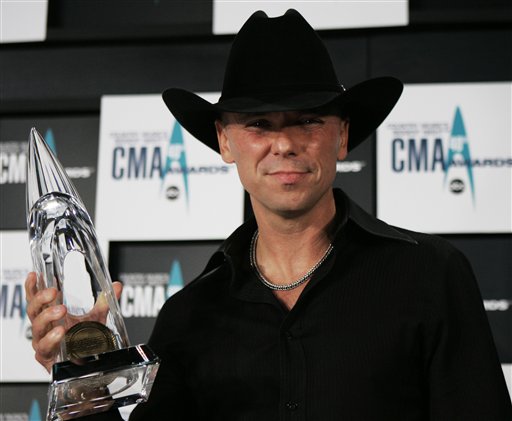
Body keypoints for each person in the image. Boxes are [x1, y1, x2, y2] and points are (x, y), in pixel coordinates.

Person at [25, 9, 512, 421]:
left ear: (342, 136)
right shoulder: (188, 317)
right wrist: (83, 383)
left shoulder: (430, 274)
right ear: (224, 141)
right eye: (259, 123)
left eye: (308, 120)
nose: (284, 143)